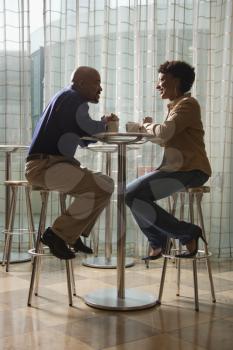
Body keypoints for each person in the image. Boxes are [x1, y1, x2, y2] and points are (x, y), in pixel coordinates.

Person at [25, 66, 115, 260]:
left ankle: (71, 234)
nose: (100, 89)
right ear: (81, 83)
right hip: (45, 167)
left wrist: (100, 125)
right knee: (101, 188)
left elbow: (81, 137)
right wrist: (106, 125)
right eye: (97, 84)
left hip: (51, 164)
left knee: (107, 183)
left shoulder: (67, 98)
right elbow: (86, 132)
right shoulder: (73, 98)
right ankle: (57, 234)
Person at [125, 60, 211, 260]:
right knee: (132, 195)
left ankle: (182, 233)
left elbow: (164, 133)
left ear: (177, 81)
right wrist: (143, 129)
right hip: (179, 169)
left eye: (162, 80)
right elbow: (165, 138)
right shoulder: (176, 107)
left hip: (192, 170)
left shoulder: (188, 104)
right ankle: (162, 239)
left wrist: (146, 126)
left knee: (131, 194)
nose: (157, 86)